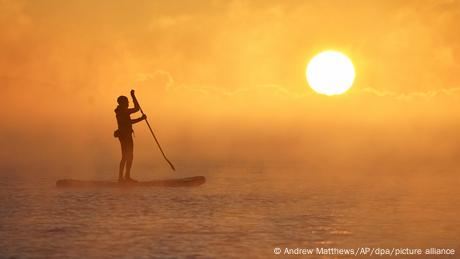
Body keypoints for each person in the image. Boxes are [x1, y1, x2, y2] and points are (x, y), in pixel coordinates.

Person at [114, 90, 146, 182]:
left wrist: (133, 96)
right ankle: (122, 178)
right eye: (127, 102)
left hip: (127, 135)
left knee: (129, 156)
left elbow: (136, 109)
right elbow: (130, 121)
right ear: (122, 103)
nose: (128, 103)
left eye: (128, 101)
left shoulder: (124, 111)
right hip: (124, 136)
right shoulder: (122, 112)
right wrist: (141, 119)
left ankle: (126, 176)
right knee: (125, 156)